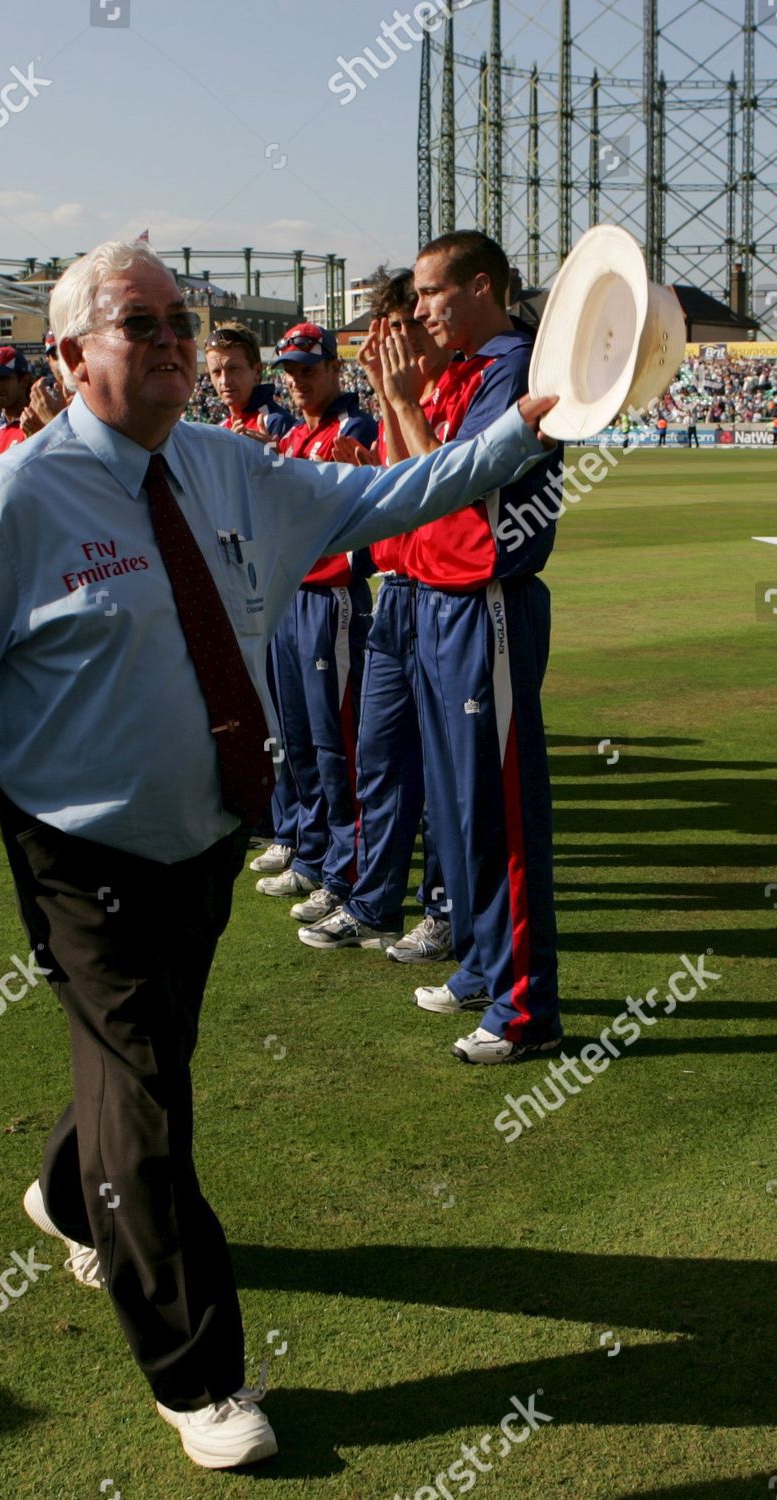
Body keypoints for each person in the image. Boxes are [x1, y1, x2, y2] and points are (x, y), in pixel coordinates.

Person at [0, 238, 555, 1471]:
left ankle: (62, 1184)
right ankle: (197, 1376)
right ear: (71, 355)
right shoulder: (18, 499)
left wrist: (528, 419)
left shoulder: (228, 466)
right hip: (76, 847)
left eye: (180, 323)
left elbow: (394, 498)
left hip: (201, 836)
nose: (175, 343)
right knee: (148, 1091)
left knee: (138, 1060)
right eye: (142, 325)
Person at [380, 230, 565, 1064]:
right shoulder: (464, 372)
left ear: (479, 287)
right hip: (439, 603)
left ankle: (528, 1010)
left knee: (502, 810)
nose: (419, 311)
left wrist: (408, 407)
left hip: (485, 604)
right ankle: (489, 965)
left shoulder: (516, 368)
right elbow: (408, 495)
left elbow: (458, 482)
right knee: (458, 807)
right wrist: (401, 402)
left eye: (430, 294)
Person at [297, 269, 453, 956]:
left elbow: (448, 490)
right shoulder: (412, 394)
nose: (389, 346)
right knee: (379, 758)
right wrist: (385, 428)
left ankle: (444, 911)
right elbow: (403, 488)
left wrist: (395, 402)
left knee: (444, 772)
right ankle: (374, 901)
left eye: (398, 331)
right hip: (398, 591)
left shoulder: (457, 390)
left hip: (444, 596)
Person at [254, 323, 378, 926]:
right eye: (290, 371)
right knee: (297, 737)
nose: (297, 381)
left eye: (308, 368)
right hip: (290, 595)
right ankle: (310, 849)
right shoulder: (298, 433)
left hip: (332, 600)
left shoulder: (353, 427)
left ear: (334, 368)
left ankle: (343, 868)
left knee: (337, 744)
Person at [205, 321, 300, 877]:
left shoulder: (274, 422)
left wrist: (271, 457)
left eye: (233, 370)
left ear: (257, 371)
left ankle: (292, 831)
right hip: (244, 588)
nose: (224, 381)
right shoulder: (224, 426)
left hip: (282, 588)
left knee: (293, 724)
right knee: (262, 715)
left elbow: (293, 488)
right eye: (216, 372)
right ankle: (274, 820)